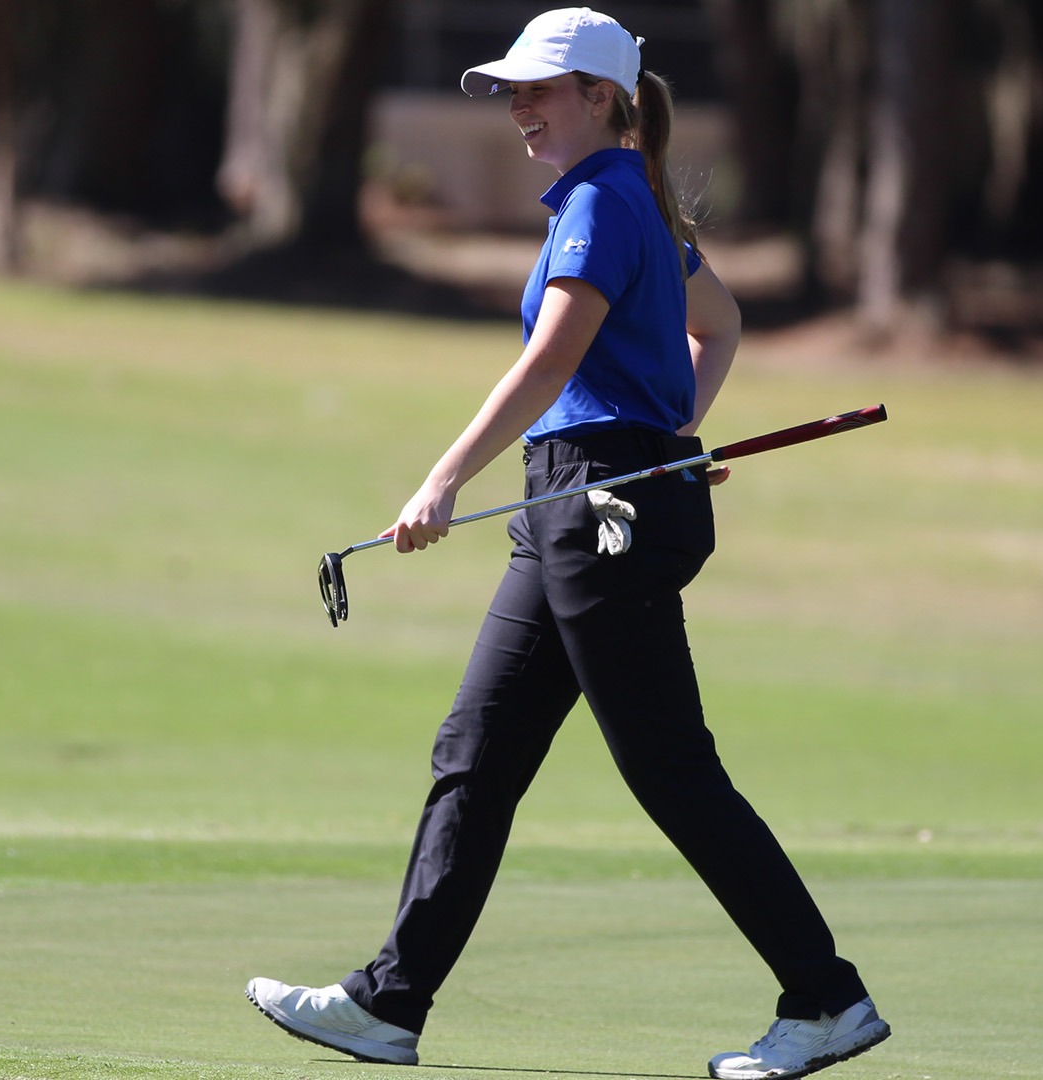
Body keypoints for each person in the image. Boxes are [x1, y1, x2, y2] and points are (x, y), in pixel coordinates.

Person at [245, 9, 890, 1079]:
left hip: (599, 513)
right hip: (583, 501)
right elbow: (718, 325)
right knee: (477, 752)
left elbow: (553, 360)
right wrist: (671, 433)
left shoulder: (603, 199)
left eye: (539, 90)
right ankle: (388, 1004)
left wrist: (446, 478)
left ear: (602, 96)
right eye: (512, 92)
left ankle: (826, 999)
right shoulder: (635, 196)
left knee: (670, 770)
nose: (519, 110)